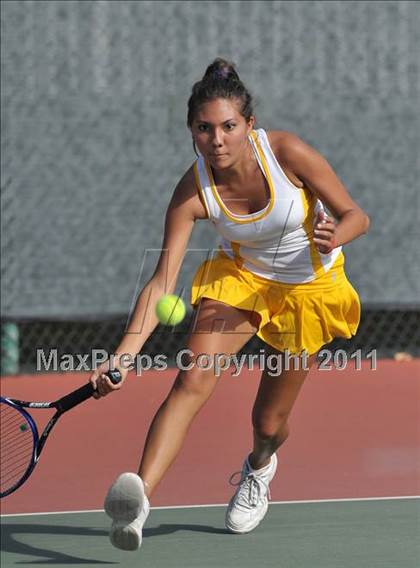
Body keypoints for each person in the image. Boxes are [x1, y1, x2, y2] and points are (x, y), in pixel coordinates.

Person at [89, 58, 370, 550]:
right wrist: (123, 355)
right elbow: (161, 283)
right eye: (204, 129)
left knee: (268, 423)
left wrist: (335, 236)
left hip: (310, 289)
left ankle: (259, 466)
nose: (216, 140)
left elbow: (356, 215)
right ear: (191, 131)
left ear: (249, 126)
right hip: (242, 279)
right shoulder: (191, 191)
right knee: (193, 376)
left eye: (228, 127)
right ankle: (137, 505)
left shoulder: (286, 153)